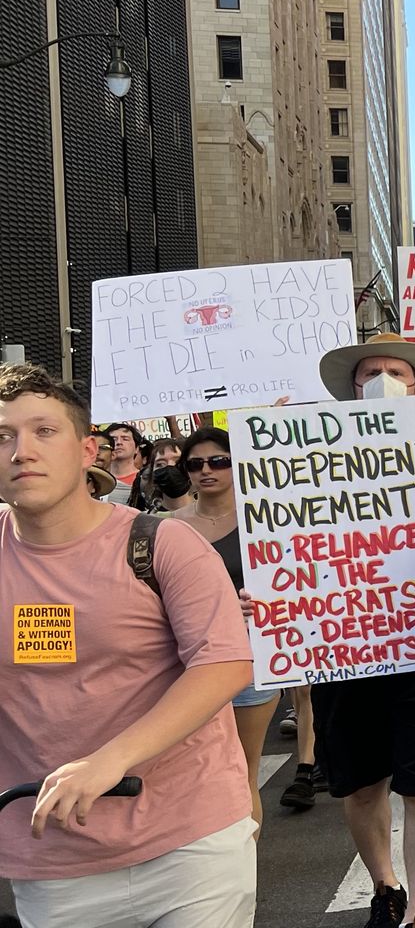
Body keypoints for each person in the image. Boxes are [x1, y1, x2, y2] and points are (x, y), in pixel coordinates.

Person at [0, 364, 256, 925]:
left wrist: (107, 762)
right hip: (51, 859)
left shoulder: (162, 542)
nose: (21, 451)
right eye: (3, 436)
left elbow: (226, 662)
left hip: (192, 842)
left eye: (44, 431)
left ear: (87, 448)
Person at [300, 334, 415, 928]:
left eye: (394, 371)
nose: (382, 379)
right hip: (342, 647)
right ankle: (386, 887)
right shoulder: (313, 458)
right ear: (351, 387)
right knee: (359, 784)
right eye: (370, 371)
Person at [171, 427, 281, 832]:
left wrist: (263, 601)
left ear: (238, 465)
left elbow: (292, 581)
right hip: (186, 664)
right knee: (197, 773)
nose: (207, 470)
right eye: (195, 464)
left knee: (242, 770)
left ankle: (244, 867)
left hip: (250, 656)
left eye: (219, 461)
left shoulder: (263, 518)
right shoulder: (168, 527)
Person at [102, 422, 146, 505]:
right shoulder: (98, 478)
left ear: (136, 448)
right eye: (114, 439)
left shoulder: (144, 479)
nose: (119, 443)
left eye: (125, 439)